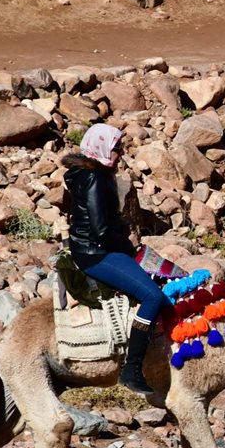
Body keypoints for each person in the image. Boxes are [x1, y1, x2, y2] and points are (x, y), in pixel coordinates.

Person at [63, 124, 168, 398]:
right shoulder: (95, 178)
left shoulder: (87, 173)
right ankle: (132, 370)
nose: (120, 153)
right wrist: (127, 246)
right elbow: (100, 230)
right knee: (153, 297)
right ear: (100, 148)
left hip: (92, 248)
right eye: (116, 148)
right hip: (96, 253)